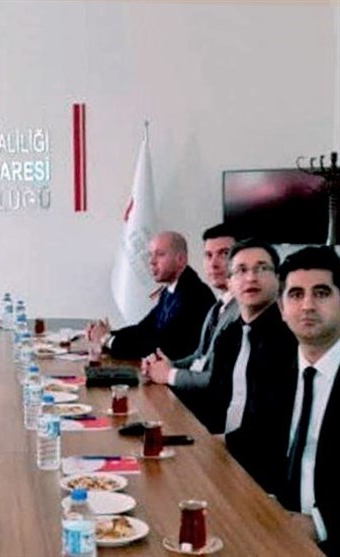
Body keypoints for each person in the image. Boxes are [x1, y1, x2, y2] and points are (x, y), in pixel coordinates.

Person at [231, 247, 340, 555]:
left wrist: (318, 524)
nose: (307, 305)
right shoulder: (275, 369)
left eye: (321, 293)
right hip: (275, 529)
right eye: (295, 294)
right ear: (281, 308)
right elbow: (251, 440)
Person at [203, 239, 297, 445]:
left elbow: (273, 423)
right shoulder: (228, 336)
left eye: (262, 268)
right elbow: (214, 400)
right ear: (229, 282)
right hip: (218, 448)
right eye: (241, 270)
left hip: (259, 455)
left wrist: (219, 442)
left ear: (278, 279)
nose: (251, 277)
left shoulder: (290, 338)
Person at [87, 231, 215, 360]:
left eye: (160, 254)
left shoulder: (195, 295)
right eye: (150, 255)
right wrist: (107, 333)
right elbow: (144, 330)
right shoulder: (169, 291)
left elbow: (159, 346)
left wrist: (106, 339)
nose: (152, 261)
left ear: (181, 260)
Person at [143, 223, 239, 391]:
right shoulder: (217, 307)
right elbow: (199, 357)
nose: (213, 264)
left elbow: (220, 379)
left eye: (224, 254)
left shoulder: (243, 312)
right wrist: (165, 366)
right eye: (208, 255)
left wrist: (169, 374)